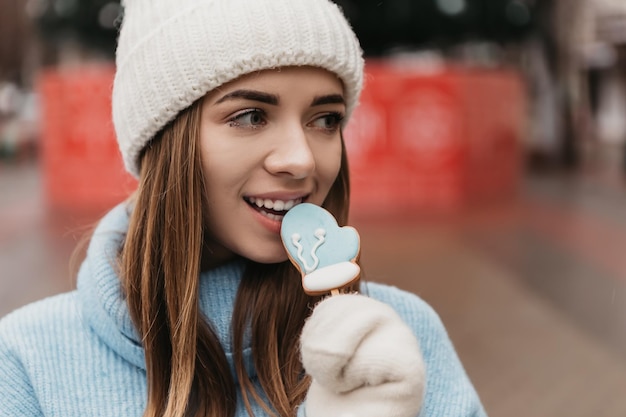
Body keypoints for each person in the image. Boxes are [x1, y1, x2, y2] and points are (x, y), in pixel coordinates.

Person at [0, 0, 488, 416]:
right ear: (165, 138)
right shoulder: (29, 360)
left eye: (325, 118)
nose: (300, 159)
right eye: (251, 116)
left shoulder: (399, 337)